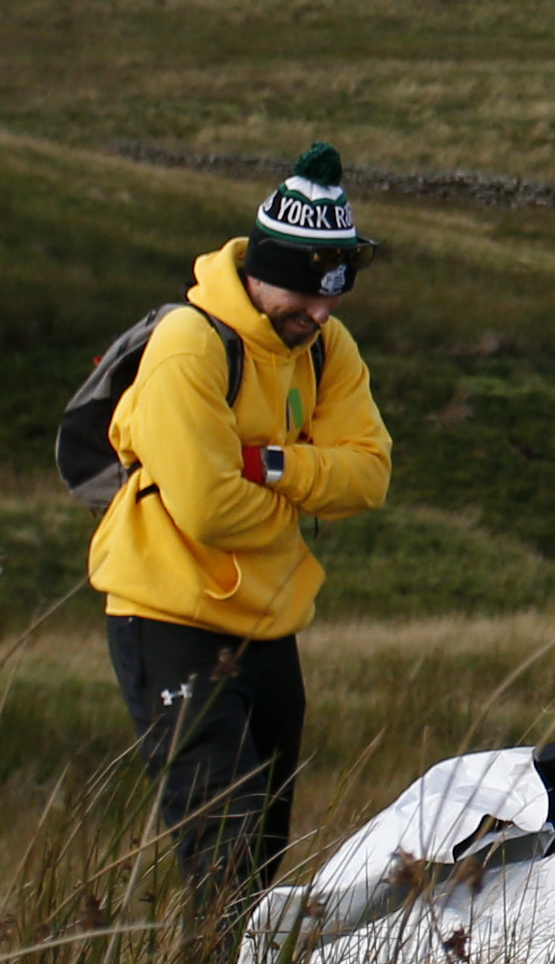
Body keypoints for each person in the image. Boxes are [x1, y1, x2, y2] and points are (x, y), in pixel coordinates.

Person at [88, 145, 398, 909]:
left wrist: (270, 465)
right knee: (220, 851)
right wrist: (303, 485)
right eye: (306, 292)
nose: (321, 313)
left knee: (261, 852)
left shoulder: (325, 348)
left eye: (335, 294)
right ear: (262, 267)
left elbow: (370, 477)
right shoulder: (189, 347)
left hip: (266, 622)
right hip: (169, 618)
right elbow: (205, 509)